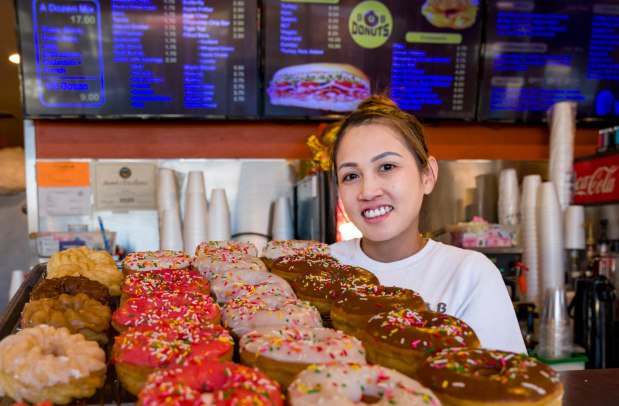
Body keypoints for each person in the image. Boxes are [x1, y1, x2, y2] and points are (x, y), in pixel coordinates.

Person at [329, 95, 526, 354]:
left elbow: (506, 386)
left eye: (386, 166)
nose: (368, 191)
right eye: (351, 175)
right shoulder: (322, 267)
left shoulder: (470, 274)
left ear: (428, 175)